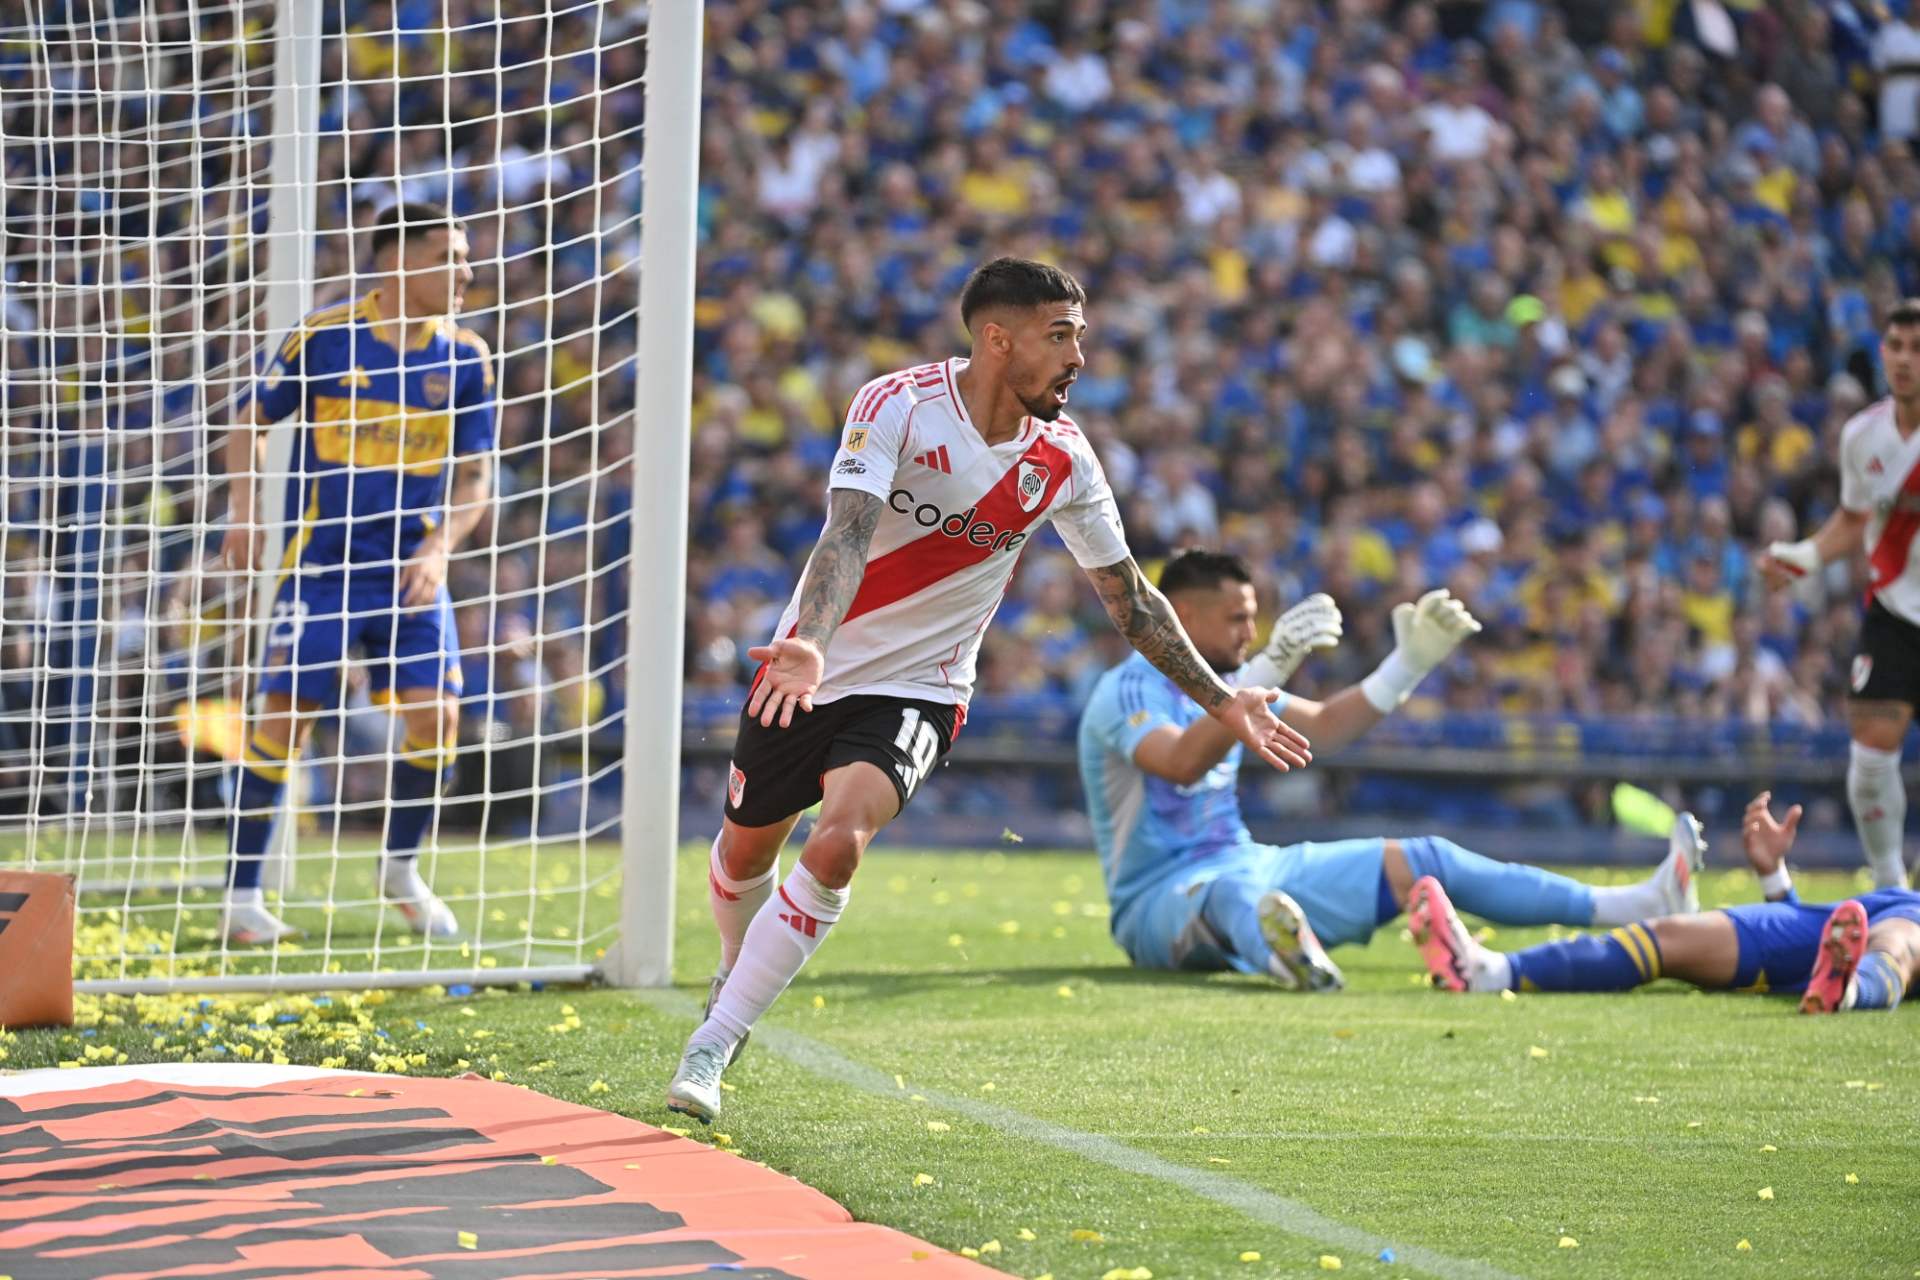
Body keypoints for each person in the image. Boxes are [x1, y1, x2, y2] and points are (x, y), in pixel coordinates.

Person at [666, 259, 1312, 1122]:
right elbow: (845, 537)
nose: (1079, 354)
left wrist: (1221, 699)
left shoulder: (1066, 458)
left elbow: (1130, 599)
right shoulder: (895, 405)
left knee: (839, 841)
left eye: (1080, 334)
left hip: (922, 689)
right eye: (1060, 335)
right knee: (747, 851)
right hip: (812, 666)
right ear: (995, 338)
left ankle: (714, 1043)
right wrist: (812, 645)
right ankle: (735, 968)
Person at [1076, 550, 1704, 988]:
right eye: (1238, 617)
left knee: (1423, 858)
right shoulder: (1128, 690)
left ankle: (1638, 904)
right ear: (1182, 615)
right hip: (1156, 901)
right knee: (1235, 896)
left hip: (1249, 862)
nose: (1251, 631)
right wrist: (1272, 665)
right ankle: (1284, 956)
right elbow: (1183, 763)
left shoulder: (1236, 680)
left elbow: (1327, 726)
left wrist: (1409, 665)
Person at [219, 202, 496, 944]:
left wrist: (439, 549)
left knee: (438, 717)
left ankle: (399, 868)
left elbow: (475, 477)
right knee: (284, 720)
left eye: (465, 256)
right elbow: (246, 421)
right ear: (397, 260)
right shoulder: (326, 336)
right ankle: (241, 897)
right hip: (322, 567)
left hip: (409, 566)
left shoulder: (466, 358)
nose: (467, 272)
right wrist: (244, 511)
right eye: (449, 255)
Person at [1412, 791, 1920, 1013]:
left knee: (1897, 940)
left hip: (1888, 929)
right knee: (1668, 934)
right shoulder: (1901, 895)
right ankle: (1490, 972)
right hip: (1816, 931)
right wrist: (1774, 877)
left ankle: (1851, 993)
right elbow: (1817, 942)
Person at [1760, 299, 1920, 889]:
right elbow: (1854, 520)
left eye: (1918, 350)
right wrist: (1805, 554)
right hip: (1894, 615)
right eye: (1896, 347)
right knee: (1871, 760)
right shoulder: (1862, 435)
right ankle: (1892, 888)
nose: (1904, 361)